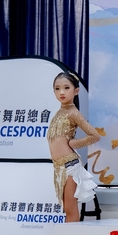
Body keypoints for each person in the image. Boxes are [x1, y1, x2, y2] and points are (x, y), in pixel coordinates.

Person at [47, 72, 100, 222]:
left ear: (76, 91)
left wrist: (74, 143)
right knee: (67, 208)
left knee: (70, 208)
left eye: (66, 87)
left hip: (70, 166)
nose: (61, 92)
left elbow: (95, 135)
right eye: (57, 88)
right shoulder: (59, 112)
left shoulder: (73, 113)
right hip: (59, 167)